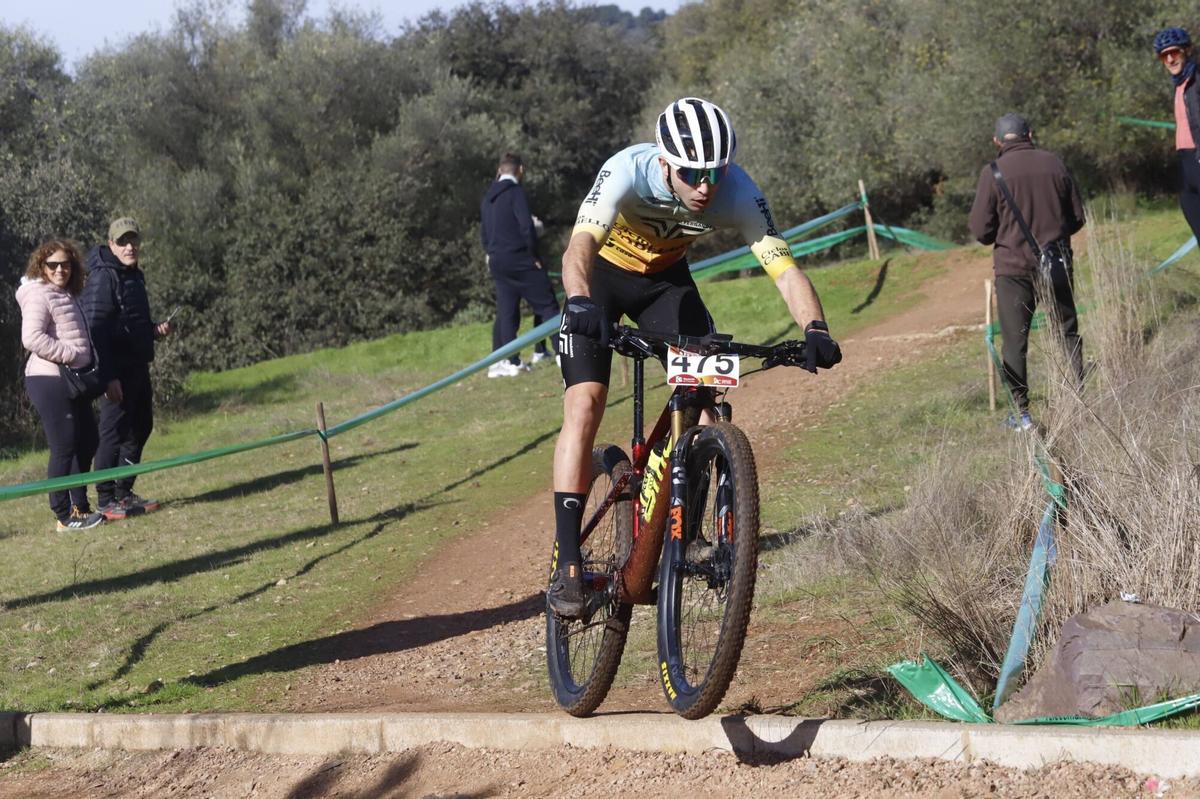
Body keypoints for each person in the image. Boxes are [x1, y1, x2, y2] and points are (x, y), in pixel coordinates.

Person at [547, 97, 843, 617]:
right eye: (690, 174)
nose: (705, 186)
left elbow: (785, 270)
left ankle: (694, 534)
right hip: (601, 280)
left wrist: (815, 328)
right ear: (665, 162)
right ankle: (568, 561)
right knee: (586, 402)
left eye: (715, 173)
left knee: (707, 406)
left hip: (665, 285)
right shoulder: (628, 171)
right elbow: (579, 248)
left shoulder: (740, 193)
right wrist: (579, 302)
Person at [968, 113, 1086, 431]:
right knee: (1067, 332)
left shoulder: (992, 173)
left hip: (1013, 269)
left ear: (997, 141)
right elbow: (1077, 218)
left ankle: (1021, 415)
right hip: (1056, 263)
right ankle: (1080, 402)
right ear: (1030, 134)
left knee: (1015, 342)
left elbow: (980, 231)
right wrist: (1054, 237)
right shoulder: (1054, 163)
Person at [81, 218, 172, 519]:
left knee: (141, 427)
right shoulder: (103, 277)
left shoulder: (134, 275)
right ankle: (106, 499)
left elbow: (129, 321)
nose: (130, 247)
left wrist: (153, 330)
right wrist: (107, 377)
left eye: (133, 240)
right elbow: (95, 329)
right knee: (112, 434)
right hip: (115, 372)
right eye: (123, 242)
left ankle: (124, 491)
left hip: (137, 366)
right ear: (111, 245)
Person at [16, 240, 106, 532]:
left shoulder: (68, 293)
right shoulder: (38, 294)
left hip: (72, 379)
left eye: (65, 264)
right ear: (41, 267)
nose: (59, 269)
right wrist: (70, 354)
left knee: (88, 439)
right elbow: (31, 337)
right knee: (64, 444)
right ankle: (64, 516)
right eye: (52, 264)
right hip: (48, 379)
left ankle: (80, 506)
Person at [480, 153, 561, 378]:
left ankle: (510, 361)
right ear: (520, 170)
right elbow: (526, 226)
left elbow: (484, 234)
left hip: (497, 261)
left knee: (507, 311)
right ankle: (562, 354)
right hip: (520, 258)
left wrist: (492, 253)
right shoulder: (515, 193)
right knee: (548, 305)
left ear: (500, 170)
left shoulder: (488, 198)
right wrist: (533, 255)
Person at [1153, 27, 1200, 241]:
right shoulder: (1180, 84)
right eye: (1165, 56)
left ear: (1187, 51)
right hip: (1186, 164)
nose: (1170, 59)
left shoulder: (1196, 80)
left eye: (1174, 52)